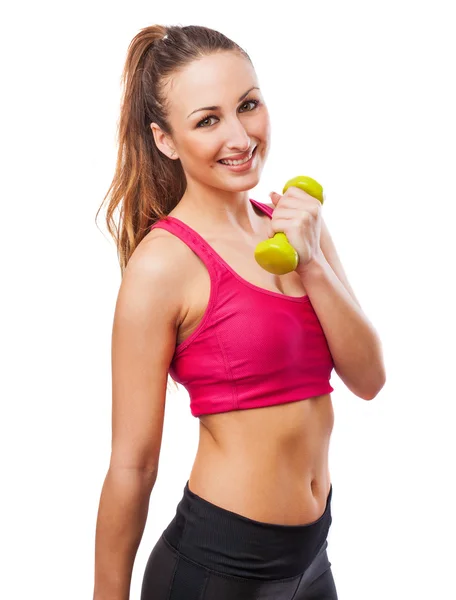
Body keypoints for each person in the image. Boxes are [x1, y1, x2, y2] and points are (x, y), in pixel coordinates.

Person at [93, 24, 386, 600]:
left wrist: (312, 265)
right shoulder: (162, 266)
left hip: (312, 561)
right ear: (166, 139)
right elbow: (133, 465)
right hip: (218, 571)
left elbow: (369, 378)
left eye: (248, 105)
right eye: (208, 120)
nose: (240, 135)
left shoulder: (296, 222)